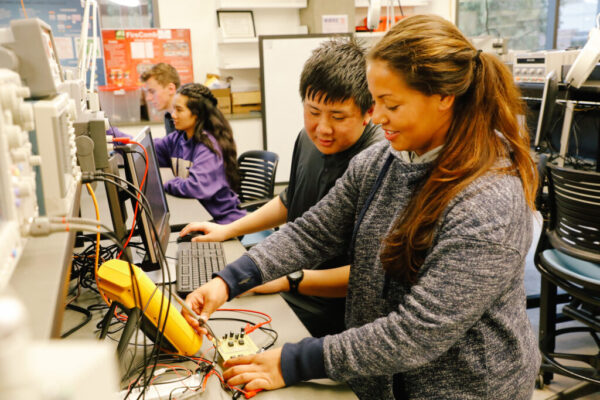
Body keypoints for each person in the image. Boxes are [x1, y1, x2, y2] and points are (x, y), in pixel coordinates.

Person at [183, 15, 541, 400]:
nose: (379, 117)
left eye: (391, 104)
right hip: (382, 376)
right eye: (376, 101)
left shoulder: (488, 200)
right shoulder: (384, 160)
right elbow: (313, 230)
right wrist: (229, 281)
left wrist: (292, 361)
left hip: (466, 387)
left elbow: (418, 332)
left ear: (444, 98)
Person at [179, 37, 383, 337]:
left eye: (338, 116)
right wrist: (229, 229)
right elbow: (292, 202)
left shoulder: (377, 161)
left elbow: (372, 275)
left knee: (223, 334)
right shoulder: (308, 139)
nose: (322, 128)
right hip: (292, 281)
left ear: (369, 112)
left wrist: (291, 279)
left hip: (335, 312)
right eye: (313, 112)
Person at [140, 62, 180, 134]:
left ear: (170, 89)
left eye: (152, 92)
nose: (148, 98)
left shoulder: (189, 122)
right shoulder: (168, 117)